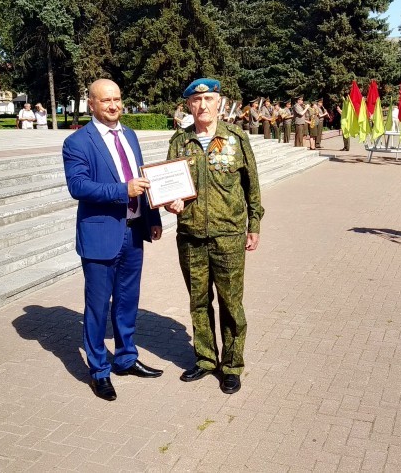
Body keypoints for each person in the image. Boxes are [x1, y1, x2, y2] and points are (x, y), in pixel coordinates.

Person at [61, 79, 164, 401]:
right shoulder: (77, 142)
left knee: (127, 302)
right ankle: (99, 371)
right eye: (106, 100)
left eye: (117, 99)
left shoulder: (130, 135)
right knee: (96, 307)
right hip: (100, 237)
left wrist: (153, 218)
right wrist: (123, 191)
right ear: (91, 103)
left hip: (133, 233)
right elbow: (78, 187)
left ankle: (126, 359)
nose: (114, 105)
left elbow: (143, 181)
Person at [165, 78, 264, 395]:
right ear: (189, 106)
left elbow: (252, 185)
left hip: (229, 235)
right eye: (196, 100)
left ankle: (232, 365)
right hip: (191, 235)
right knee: (198, 301)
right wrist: (171, 202)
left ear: (219, 102)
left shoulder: (236, 139)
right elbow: (168, 185)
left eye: (209, 99)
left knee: (231, 304)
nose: (203, 105)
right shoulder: (180, 142)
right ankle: (206, 359)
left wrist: (255, 224)